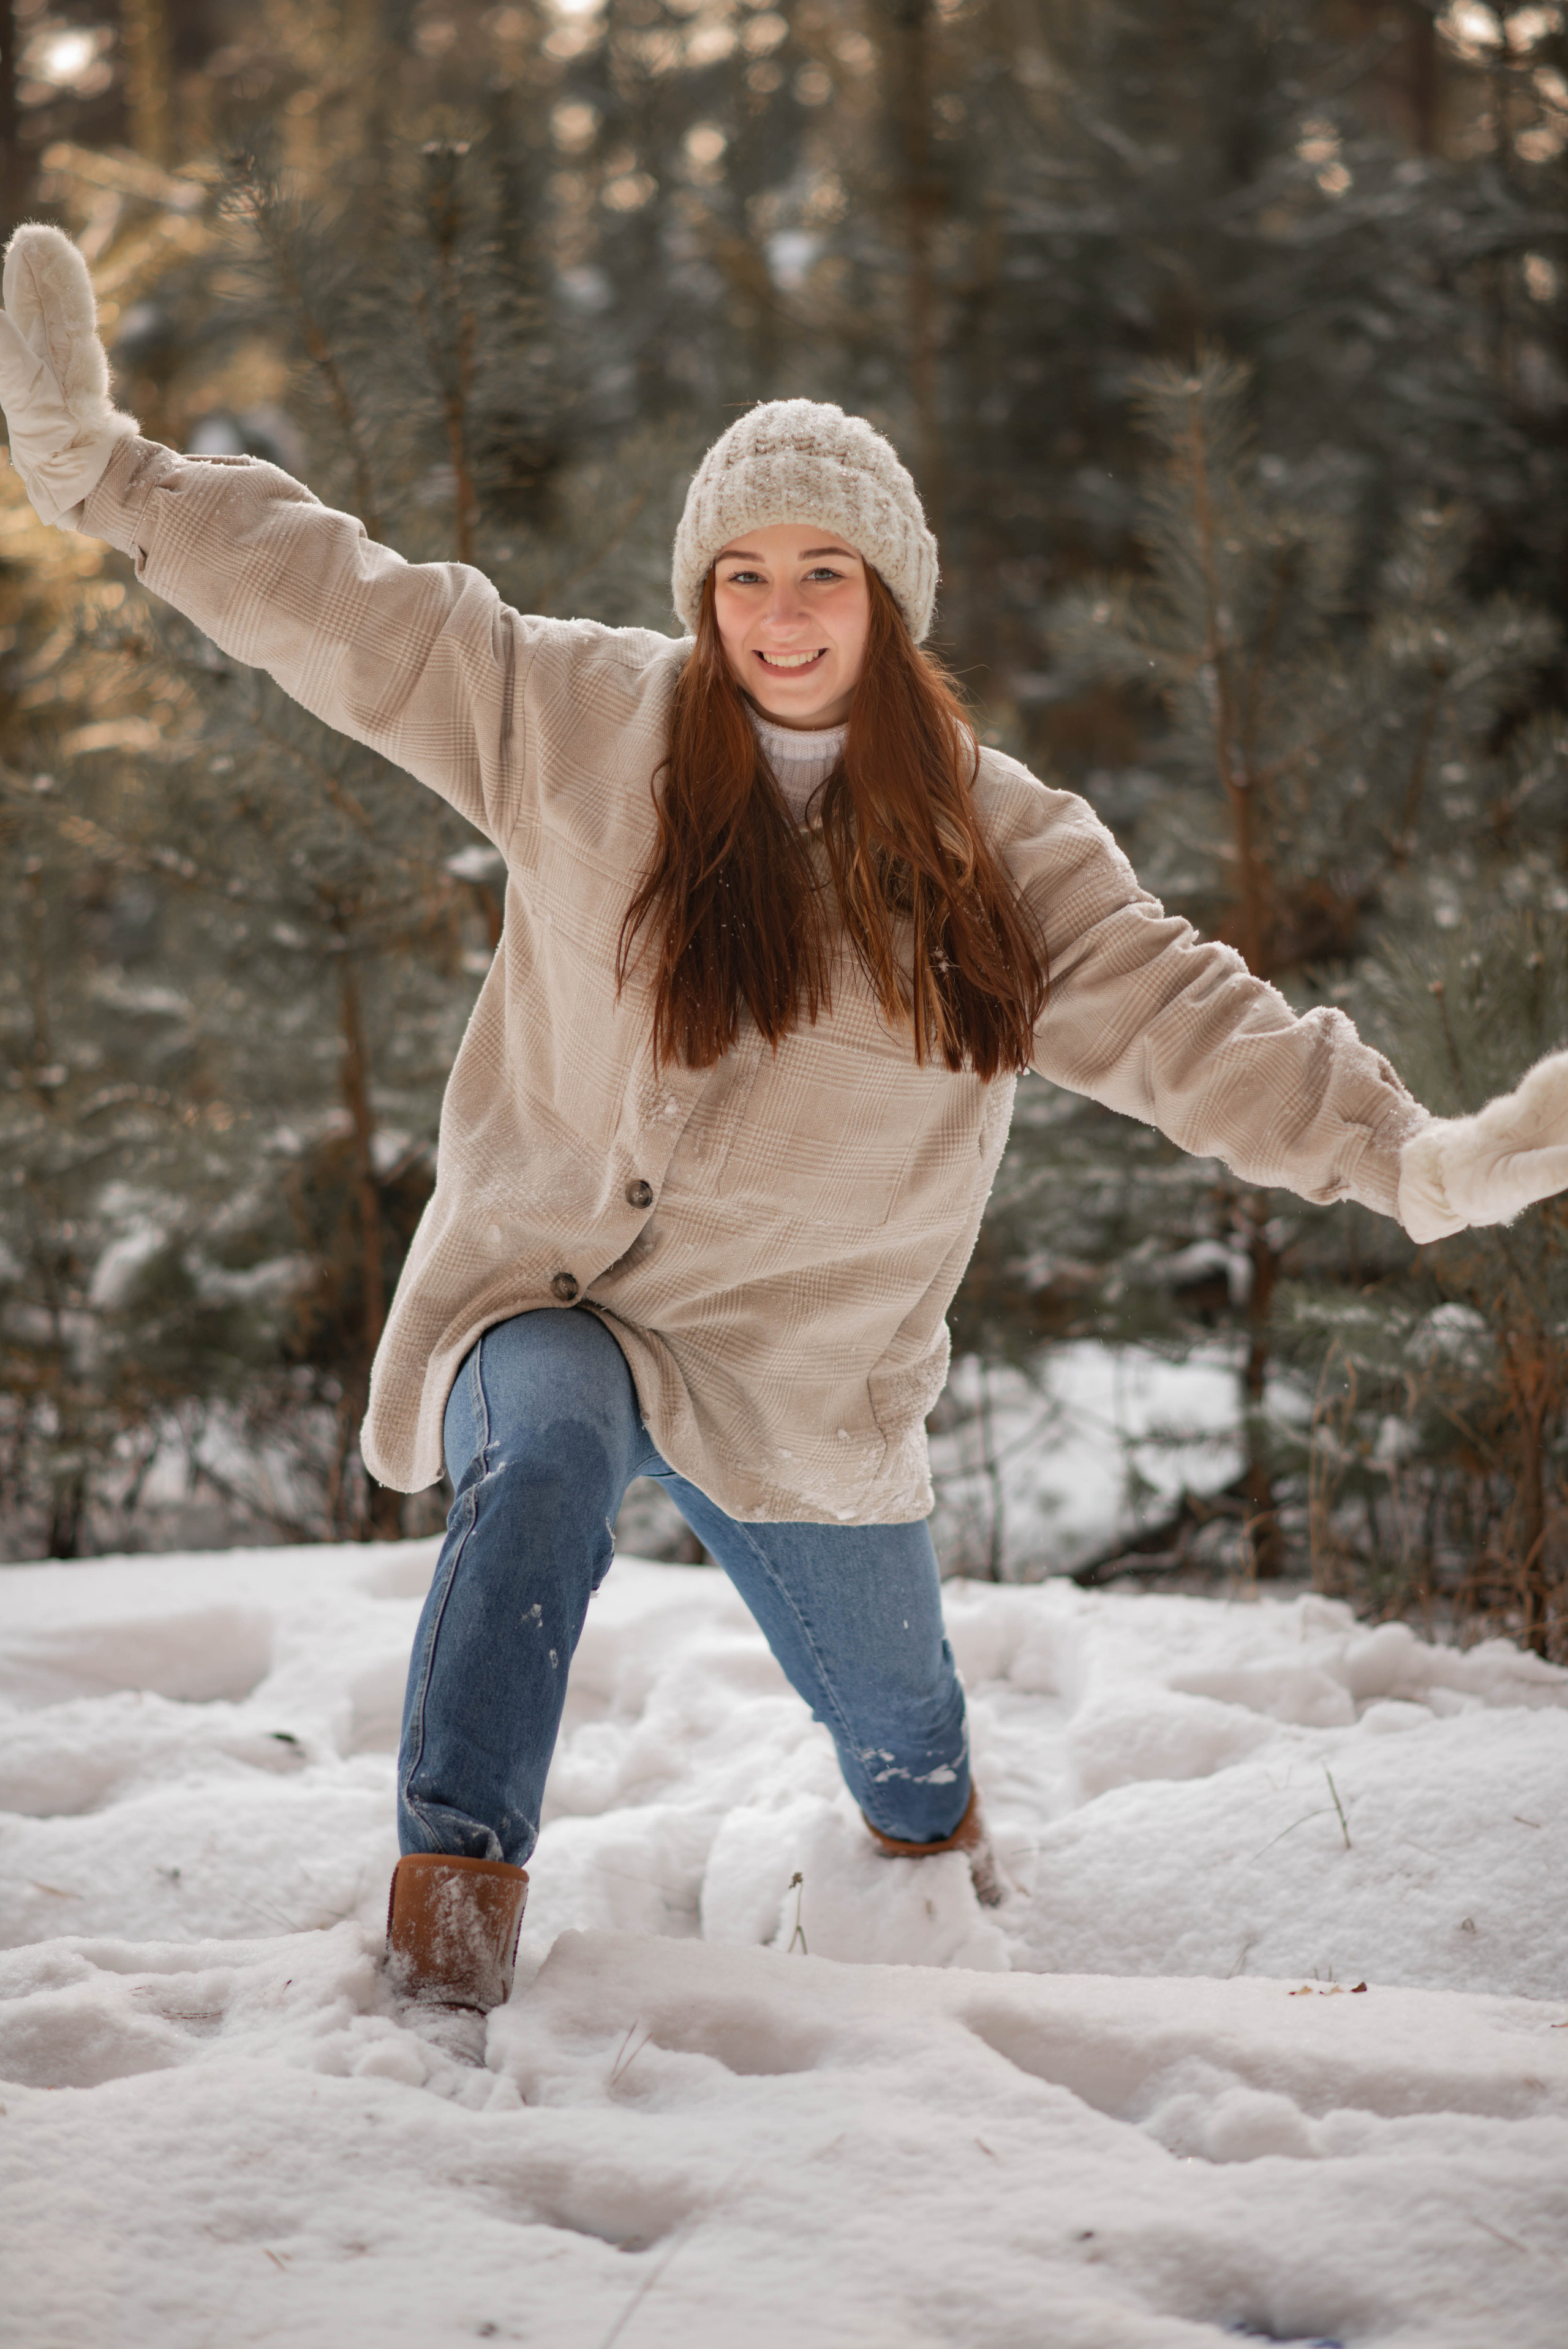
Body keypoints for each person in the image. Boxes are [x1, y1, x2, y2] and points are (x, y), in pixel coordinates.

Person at [6, 225, 1568, 2014]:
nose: (781, 611)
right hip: (557, 1283)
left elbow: (1198, 1021)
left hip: (808, 1375)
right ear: (704, 592)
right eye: (743, 572)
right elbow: (349, 604)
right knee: (543, 1469)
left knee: (904, 1750)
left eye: (824, 570)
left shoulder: (1005, 847)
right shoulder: (580, 715)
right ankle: (449, 1942)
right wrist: (104, 474)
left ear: (889, 600)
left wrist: (1411, 1155)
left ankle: (925, 1853)